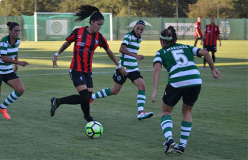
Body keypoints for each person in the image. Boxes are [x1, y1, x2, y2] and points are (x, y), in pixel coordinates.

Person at [151, 26, 222, 154]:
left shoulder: (160, 52)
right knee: (187, 110)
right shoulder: (187, 47)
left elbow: (156, 69)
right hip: (195, 80)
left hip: (177, 81)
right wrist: (213, 69)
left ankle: (169, 139)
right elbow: (205, 53)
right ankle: (182, 146)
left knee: (165, 112)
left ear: (162, 41)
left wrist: (155, 90)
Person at [50, 5, 126, 122]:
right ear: (91, 22)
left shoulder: (99, 38)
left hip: (87, 71)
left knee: (87, 97)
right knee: (85, 95)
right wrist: (57, 54)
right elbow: (67, 43)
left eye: (101, 25)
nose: (99, 27)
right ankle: (88, 118)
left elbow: (109, 51)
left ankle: (57, 101)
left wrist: (119, 65)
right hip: (76, 69)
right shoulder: (78, 32)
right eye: (98, 24)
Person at [91, 20, 153, 120]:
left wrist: (134, 58)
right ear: (134, 27)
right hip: (123, 68)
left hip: (133, 68)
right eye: (138, 28)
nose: (139, 31)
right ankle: (92, 97)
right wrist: (136, 56)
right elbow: (122, 49)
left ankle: (140, 112)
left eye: (142, 29)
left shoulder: (139, 38)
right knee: (114, 90)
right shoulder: (129, 36)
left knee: (142, 87)